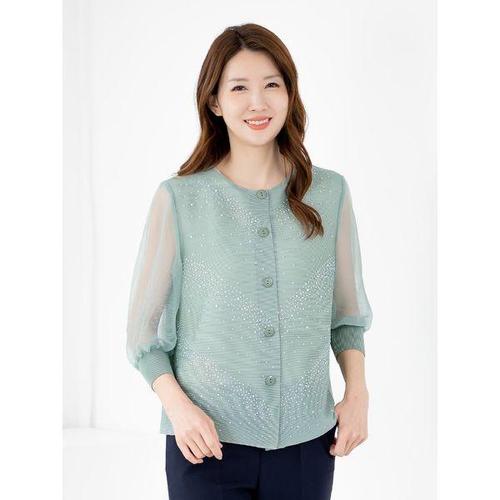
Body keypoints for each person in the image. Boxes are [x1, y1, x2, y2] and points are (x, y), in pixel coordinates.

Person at [126, 22, 373, 500]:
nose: (257, 103)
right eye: (239, 88)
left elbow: (346, 317)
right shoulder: (180, 200)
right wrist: (178, 408)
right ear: (215, 102)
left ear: (289, 94)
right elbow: (143, 334)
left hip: (308, 445)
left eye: (271, 85)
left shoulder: (330, 193)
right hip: (205, 444)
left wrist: (358, 393)